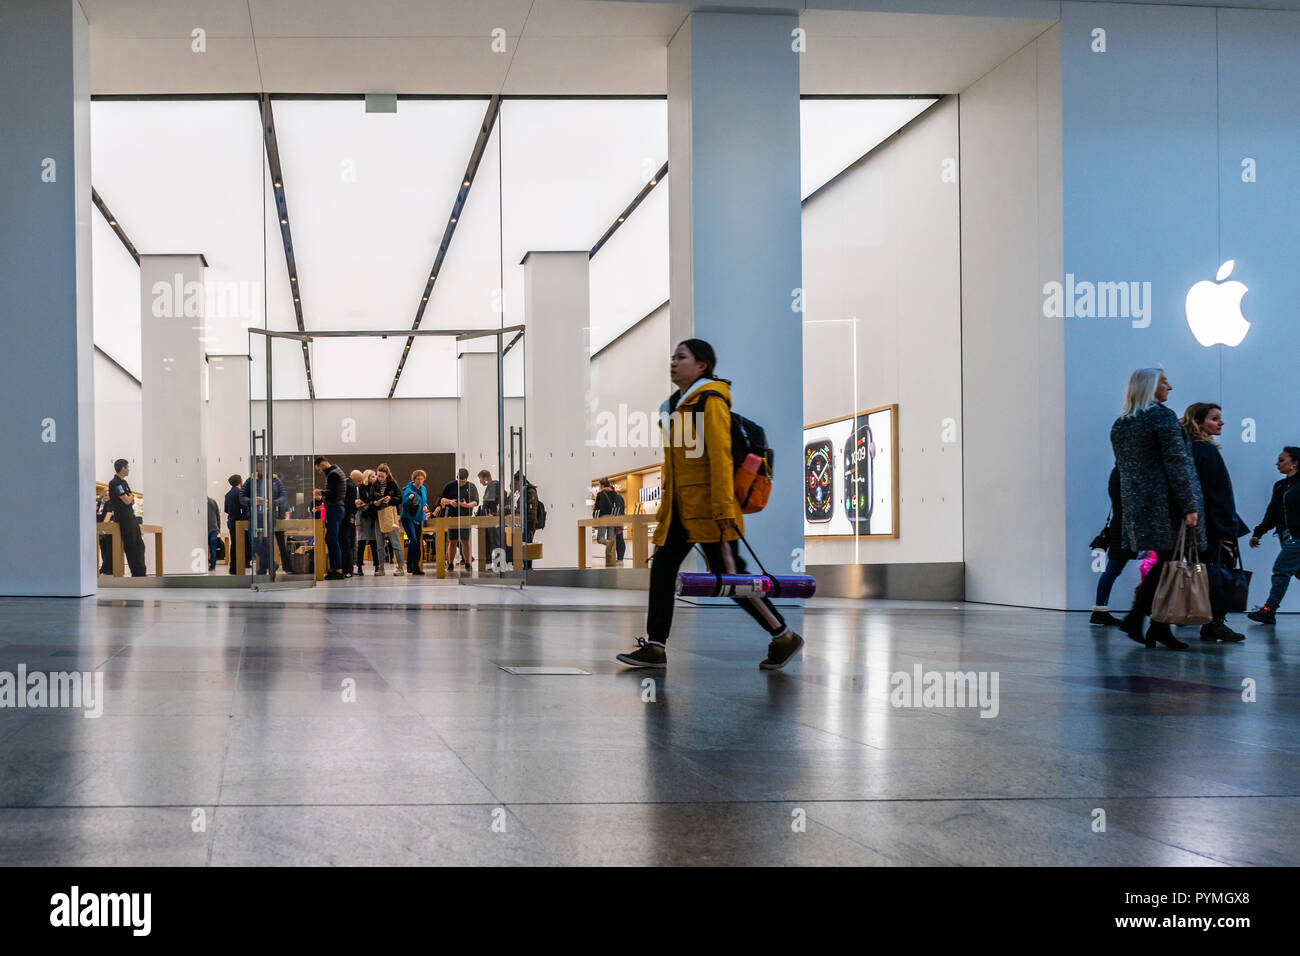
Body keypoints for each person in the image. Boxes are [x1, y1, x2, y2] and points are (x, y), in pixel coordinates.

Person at [616, 339, 804, 670]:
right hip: (679, 511)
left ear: (702, 366)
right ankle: (656, 647)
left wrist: (722, 510)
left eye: (682, 358)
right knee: (662, 572)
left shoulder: (710, 402)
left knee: (732, 579)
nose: (673, 363)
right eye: (672, 357)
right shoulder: (674, 407)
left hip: (711, 511)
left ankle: (784, 636)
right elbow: (674, 467)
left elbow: (719, 457)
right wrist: (666, 509)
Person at [1110, 368, 1205, 650]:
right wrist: (1189, 505)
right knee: (1168, 564)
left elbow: (1123, 469)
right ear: (1151, 386)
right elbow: (1177, 463)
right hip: (1168, 505)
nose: (1170, 387)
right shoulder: (1162, 417)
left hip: (1141, 505)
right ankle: (1138, 616)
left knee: (1165, 564)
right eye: (1164, 382)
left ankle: (1157, 626)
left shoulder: (1122, 423)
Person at [1180, 402, 1248, 642]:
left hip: (1203, 525)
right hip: (1217, 524)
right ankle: (1214, 624)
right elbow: (1216, 493)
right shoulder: (1205, 450)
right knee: (1220, 575)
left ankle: (1206, 621)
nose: (1221, 422)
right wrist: (1228, 525)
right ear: (1198, 423)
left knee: (1206, 574)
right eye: (1214, 418)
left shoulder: (1190, 450)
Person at [1246, 446, 1300, 625]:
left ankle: (1269, 610)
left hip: (1297, 538)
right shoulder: (1280, 486)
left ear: (1295, 463)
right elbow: (1272, 513)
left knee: (1281, 570)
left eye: (1282, 460)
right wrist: (1258, 533)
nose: (1277, 463)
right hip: (1286, 536)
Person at [1091, 467, 1137, 626]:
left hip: (1120, 526)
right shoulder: (1127, 472)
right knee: (1113, 568)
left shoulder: (1117, 472)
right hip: (1126, 528)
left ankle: (1100, 609)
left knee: (1113, 569)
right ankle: (1099, 610)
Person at [107, 459, 147, 576]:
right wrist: (130, 497)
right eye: (127, 467)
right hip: (124, 519)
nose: (129, 469)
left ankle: (141, 572)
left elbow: (131, 500)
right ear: (123, 468)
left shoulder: (124, 483)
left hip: (131, 517)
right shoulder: (115, 483)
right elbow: (127, 500)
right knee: (131, 546)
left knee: (140, 545)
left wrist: (130, 498)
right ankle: (136, 573)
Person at [314, 456, 348, 580]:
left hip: (335, 509)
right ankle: (334, 568)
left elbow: (332, 493)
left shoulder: (333, 474)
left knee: (333, 540)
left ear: (321, 465)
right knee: (330, 539)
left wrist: (320, 492)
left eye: (318, 470)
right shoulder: (337, 471)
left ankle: (338, 570)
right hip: (338, 509)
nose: (320, 472)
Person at [439, 468, 479, 571]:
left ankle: (467, 563)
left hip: (466, 517)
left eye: (463, 481)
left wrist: (466, 505)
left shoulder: (471, 486)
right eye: (460, 481)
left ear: (466, 479)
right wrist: (450, 502)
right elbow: (442, 499)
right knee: (452, 541)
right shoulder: (450, 485)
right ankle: (450, 563)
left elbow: (476, 501)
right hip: (453, 517)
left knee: (465, 541)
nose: (461, 483)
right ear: (457, 478)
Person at [373, 463, 405, 576]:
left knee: (395, 542)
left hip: (391, 515)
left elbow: (400, 498)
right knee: (379, 543)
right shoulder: (374, 485)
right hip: (378, 516)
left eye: (382, 476)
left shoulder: (392, 484)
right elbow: (371, 498)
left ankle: (400, 567)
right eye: (378, 476)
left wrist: (390, 499)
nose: (380, 478)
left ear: (387, 474)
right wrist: (375, 502)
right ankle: (381, 568)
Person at [401, 469, 430, 575]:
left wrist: (426, 506)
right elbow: (404, 503)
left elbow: (425, 501)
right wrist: (409, 498)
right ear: (414, 479)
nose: (420, 481)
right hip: (408, 518)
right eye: (418, 479)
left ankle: (416, 567)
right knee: (413, 541)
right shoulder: (408, 489)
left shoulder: (423, 489)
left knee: (417, 543)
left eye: (422, 479)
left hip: (418, 518)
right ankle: (410, 566)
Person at [594, 478, 627, 566]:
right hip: (613, 518)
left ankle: (611, 559)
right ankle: (610, 562)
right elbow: (618, 507)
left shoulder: (600, 494)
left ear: (601, 485)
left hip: (603, 518)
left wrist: (594, 518)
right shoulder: (615, 494)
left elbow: (596, 508)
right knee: (611, 540)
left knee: (600, 539)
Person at [223, 475, 247, 574]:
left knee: (234, 544)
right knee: (240, 545)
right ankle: (239, 566)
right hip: (239, 522)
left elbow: (226, 510)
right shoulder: (240, 493)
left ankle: (233, 568)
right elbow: (244, 508)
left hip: (231, 521)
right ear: (239, 481)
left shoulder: (228, 494)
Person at [340, 469, 359, 578]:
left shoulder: (346, 484)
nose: (360, 484)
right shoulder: (351, 487)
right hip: (348, 519)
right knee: (349, 544)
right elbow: (351, 504)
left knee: (346, 543)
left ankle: (347, 569)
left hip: (345, 519)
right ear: (356, 479)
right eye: (359, 481)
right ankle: (348, 569)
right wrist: (355, 507)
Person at [96, 489, 115, 575]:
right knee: (103, 549)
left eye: (108, 495)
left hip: (109, 529)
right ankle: (105, 567)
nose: (107, 497)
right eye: (105, 495)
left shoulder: (111, 504)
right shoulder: (98, 504)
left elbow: (110, 516)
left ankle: (108, 568)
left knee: (109, 550)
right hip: (100, 530)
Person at [207, 496, 221, 571]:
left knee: (205, 547)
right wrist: (219, 527)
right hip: (214, 528)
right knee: (213, 547)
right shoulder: (213, 501)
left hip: (205, 528)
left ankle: (206, 563)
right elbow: (218, 515)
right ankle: (212, 565)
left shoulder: (200, 502)